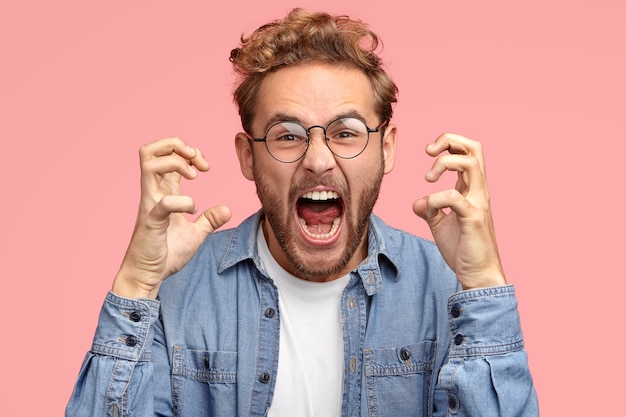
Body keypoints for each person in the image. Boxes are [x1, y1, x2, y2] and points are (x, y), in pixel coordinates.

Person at [66, 8, 538, 416]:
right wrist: (136, 283)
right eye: (287, 134)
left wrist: (484, 284)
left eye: (346, 132)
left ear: (387, 149)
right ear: (248, 156)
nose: (317, 158)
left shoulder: (450, 290)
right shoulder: (171, 292)